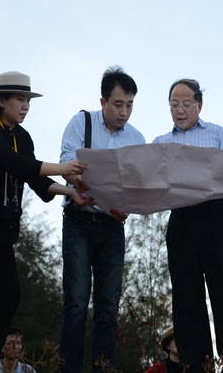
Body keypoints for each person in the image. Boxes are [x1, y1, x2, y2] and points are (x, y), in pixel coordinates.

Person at [0, 72, 89, 373]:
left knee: (10, 295)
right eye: (20, 99)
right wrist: (63, 167)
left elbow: (35, 179)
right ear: (2, 101)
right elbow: (15, 164)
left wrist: (70, 192)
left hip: (1, 228)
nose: (26, 106)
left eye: (28, 100)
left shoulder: (22, 137)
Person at [152, 79, 223, 373]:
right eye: (174, 104)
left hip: (214, 217)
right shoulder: (159, 143)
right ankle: (195, 368)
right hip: (180, 220)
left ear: (199, 105)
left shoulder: (217, 134)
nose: (179, 110)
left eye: (186, 104)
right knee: (186, 302)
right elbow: (152, 183)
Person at [59, 65, 146, 373]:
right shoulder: (81, 123)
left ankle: (104, 369)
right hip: (79, 222)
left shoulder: (137, 138)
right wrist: (77, 181)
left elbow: (139, 185)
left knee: (108, 308)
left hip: (113, 226)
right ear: (103, 101)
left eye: (130, 105)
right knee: (76, 303)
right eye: (118, 104)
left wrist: (128, 207)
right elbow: (66, 161)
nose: (124, 112)